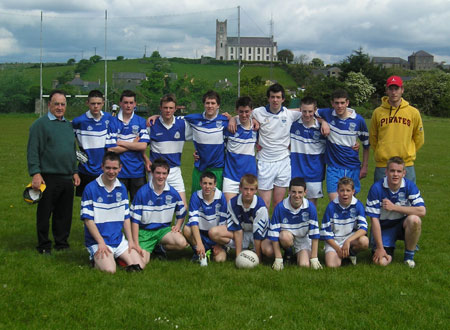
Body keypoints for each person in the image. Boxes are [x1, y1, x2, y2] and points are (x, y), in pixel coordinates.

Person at [27, 90, 80, 254]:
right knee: (44, 213)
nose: (59, 107)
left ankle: (61, 243)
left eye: (62, 104)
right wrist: (35, 172)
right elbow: (33, 150)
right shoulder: (40, 125)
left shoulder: (68, 125)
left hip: (66, 176)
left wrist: (74, 171)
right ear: (49, 104)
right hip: (47, 177)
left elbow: (72, 150)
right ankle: (43, 245)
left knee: (64, 214)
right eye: (56, 104)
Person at [81, 152, 148, 273]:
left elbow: (126, 217)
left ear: (120, 168)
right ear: (102, 167)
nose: (111, 171)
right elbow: (88, 220)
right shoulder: (90, 188)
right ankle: (97, 259)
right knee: (110, 270)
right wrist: (100, 242)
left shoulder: (121, 188)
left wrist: (131, 242)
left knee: (140, 265)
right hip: (98, 241)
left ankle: (116, 257)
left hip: (118, 240)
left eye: (114, 168)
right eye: (108, 168)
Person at [366, 156, 426, 268]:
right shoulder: (376, 188)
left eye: (399, 171)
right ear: (386, 172)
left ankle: (409, 257)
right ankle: (385, 249)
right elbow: (374, 220)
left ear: (404, 173)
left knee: (415, 220)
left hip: (401, 225)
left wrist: (394, 207)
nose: (395, 174)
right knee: (381, 263)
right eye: (392, 171)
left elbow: (422, 211)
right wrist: (380, 248)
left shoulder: (409, 186)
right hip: (384, 227)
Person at [316, 89, 369, 201]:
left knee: (349, 203)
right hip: (333, 166)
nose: (339, 106)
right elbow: (312, 112)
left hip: (352, 166)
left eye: (342, 103)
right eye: (336, 103)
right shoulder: (328, 114)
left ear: (347, 103)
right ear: (332, 103)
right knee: (335, 202)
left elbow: (366, 145)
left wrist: (364, 167)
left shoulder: (358, 120)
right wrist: (324, 122)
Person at [370, 76, 425, 183]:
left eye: (397, 89)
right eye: (391, 89)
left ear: (402, 90)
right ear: (386, 90)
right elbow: (373, 137)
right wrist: (381, 151)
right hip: (383, 165)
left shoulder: (413, 112)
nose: (394, 92)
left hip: (406, 164)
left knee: (408, 198)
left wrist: (408, 151)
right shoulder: (378, 112)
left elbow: (419, 137)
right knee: (382, 198)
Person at [130, 158, 187, 261]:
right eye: (158, 173)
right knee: (142, 261)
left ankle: (160, 247)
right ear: (152, 173)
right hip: (145, 232)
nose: (161, 176)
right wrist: (135, 243)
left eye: (164, 173)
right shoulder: (142, 193)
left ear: (167, 175)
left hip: (163, 231)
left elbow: (182, 212)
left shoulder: (173, 193)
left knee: (181, 243)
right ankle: (150, 249)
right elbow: (134, 221)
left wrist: (178, 226)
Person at [209, 174, 273, 262]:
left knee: (269, 252)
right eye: (246, 189)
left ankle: (257, 252)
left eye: (252, 189)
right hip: (242, 233)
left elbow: (258, 234)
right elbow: (237, 230)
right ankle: (240, 251)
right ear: (240, 188)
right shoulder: (233, 203)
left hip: (260, 236)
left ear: (256, 190)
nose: (248, 192)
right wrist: (238, 257)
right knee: (213, 232)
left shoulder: (260, 206)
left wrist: (258, 258)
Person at [145, 93, 192, 208]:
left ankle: (177, 227)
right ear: (160, 108)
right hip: (156, 171)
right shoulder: (152, 125)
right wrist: (146, 160)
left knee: (182, 206)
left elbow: (201, 132)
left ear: (175, 109)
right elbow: (140, 146)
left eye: (171, 108)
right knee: (153, 206)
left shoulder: (183, 125)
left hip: (174, 171)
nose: (168, 110)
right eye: (165, 107)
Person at [268, 177, 321, 270]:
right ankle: (288, 252)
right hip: (286, 238)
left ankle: (296, 255)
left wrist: (314, 258)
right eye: (293, 192)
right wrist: (278, 258)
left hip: (303, 239)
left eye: (300, 192)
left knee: (304, 265)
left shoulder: (310, 208)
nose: (297, 195)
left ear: (305, 192)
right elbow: (274, 234)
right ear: (289, 191)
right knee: (283, 237)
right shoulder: (280, 207)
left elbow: (315, 234)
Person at [106, 90, 149, 202]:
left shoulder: (141, 122)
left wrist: (122, 142)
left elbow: (143, 146)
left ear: (135, 104)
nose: (128, 105)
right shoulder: (113, 122)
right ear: (120, 103)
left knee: (138, 207)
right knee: (118, 207)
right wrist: (133, 144)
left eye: (131, 103)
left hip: (137, 171)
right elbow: (111, 149)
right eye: (125, 102)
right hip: (119, 172)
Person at [184, 90, 229, 193]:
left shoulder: (225, 121)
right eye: (207, 103)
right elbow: (171, 119)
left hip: (217, 169)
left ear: (218, 105)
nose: (210, 106)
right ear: (204, 104)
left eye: (213, 103)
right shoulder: (194, 119)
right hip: (200, 168)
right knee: (196, 200)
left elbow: (242, 120)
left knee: (217, 202)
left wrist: (233, 118)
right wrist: (156, 117)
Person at [320, 177, 369, 267]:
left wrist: (348, 241)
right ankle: (343, 255)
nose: (345, 194)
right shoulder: (331, 207)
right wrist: (338, 248)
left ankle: (351, 253)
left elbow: (363, 229)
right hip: (334, 241)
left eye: (348, 190)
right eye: (342, 190)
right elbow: (326, 233)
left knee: (364, 241)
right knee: (332, 265)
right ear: (337, 191)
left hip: (350, 238)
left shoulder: (358, 205)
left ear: (353, 191)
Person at [72, 90, 112, 197]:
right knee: (86, 203)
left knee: (104, 202)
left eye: (98, 103)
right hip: (85, 169)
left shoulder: (109, 119)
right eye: (93, 103)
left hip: (104, 170)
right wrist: (77, 155)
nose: (96, 106)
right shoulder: (78, 121)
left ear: (103, 103)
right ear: (87, 103)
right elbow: (67, 141)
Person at [183, 172, 229, 264]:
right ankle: (198, 252)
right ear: (200, 183)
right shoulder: (195, 196)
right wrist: (199, 244)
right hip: (201, 234)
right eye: (205, 183)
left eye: (210, 184)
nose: (207, 186)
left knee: (220, 260)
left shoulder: (221, 197)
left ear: (215, 185)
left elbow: (223, 224)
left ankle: (214, 250)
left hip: (214, 235)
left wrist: (219, 245)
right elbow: (193, 222)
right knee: (186, 229)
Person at [290, 96, 326, 206]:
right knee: (294, 202)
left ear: (315, 111)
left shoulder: (322, 128)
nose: (307, 114)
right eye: (304, 111)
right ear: (300, 110)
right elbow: (281, 112)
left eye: (310, 111)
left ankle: (311, 224)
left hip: (315, 172)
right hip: (296, 170)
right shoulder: (293, 124)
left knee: (311, 205)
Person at [222, 96, 257, 201]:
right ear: (236, 110)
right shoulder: (229, 126)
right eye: (241, 112)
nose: (244, 115)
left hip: (249, 177)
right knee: (229, 210)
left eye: (247, 111)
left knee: (247, 211)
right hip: (230, 176)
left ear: (251, 110)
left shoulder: (256, 127)